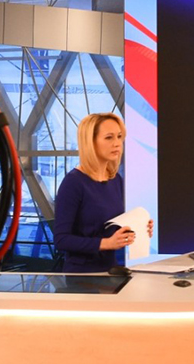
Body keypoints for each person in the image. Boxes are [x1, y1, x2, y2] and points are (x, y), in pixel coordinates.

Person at [53, 112, 152, 273]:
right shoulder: (73, 183)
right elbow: (61, 240)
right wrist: (107, 243)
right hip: (82, 275)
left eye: (119, 137)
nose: (117, 143)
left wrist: (138, 228)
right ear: (90, 142)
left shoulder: (115, 179)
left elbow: (108, 226)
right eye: (109, 138)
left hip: (110, 270)